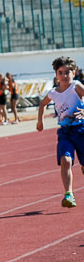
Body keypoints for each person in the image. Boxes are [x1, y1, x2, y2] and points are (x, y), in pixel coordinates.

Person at [37, 56, 84, 208]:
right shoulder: (53, 93)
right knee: (65, 160)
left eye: (67, 72)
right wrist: (40, 121)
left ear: (74, 73)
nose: (64, 76)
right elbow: (43, 104)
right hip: (65, 132)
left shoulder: (76, 86)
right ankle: (68, 194)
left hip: (81, 130)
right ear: (56, 75)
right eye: (60, 73)